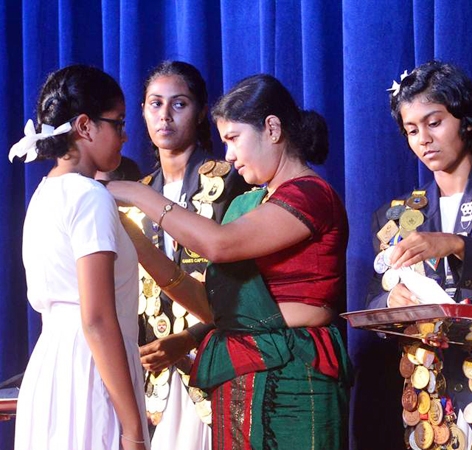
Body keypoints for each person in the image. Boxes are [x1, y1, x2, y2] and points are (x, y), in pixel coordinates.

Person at [108, 74, 351, 450]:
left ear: (272, 129)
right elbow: (214, 308)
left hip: (296, 377)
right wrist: (136, 240)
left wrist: (137, 194)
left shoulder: (312, 195)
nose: (229, 156)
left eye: (234, 139)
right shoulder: (246, 204)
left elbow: (218, 246)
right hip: (241, 374)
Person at [366, 60, 472, 448]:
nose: (424, 139)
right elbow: (374, 299)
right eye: (412, 130)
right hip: (430, 398)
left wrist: (457, 244)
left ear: (466, 122)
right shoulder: (395, 215)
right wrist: (390, 302)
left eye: (434, 122)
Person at [11, 65, 149, 450]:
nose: (125, 136)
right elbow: (97, 319)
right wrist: (133, 429)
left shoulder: (44, 193)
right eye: (118, 123)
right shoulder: (90, 197)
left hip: (52, 368)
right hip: (91, 370)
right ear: (85, 126)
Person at [130, 61, 248, 450]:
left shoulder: (232, 180)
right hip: (161, 378)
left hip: (224, 360)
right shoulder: (136, 196)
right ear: (143, 111)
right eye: (155, 104)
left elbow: (249, 287)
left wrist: (191, 337)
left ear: (200, 113)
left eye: (178, 104)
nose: (165, 115)